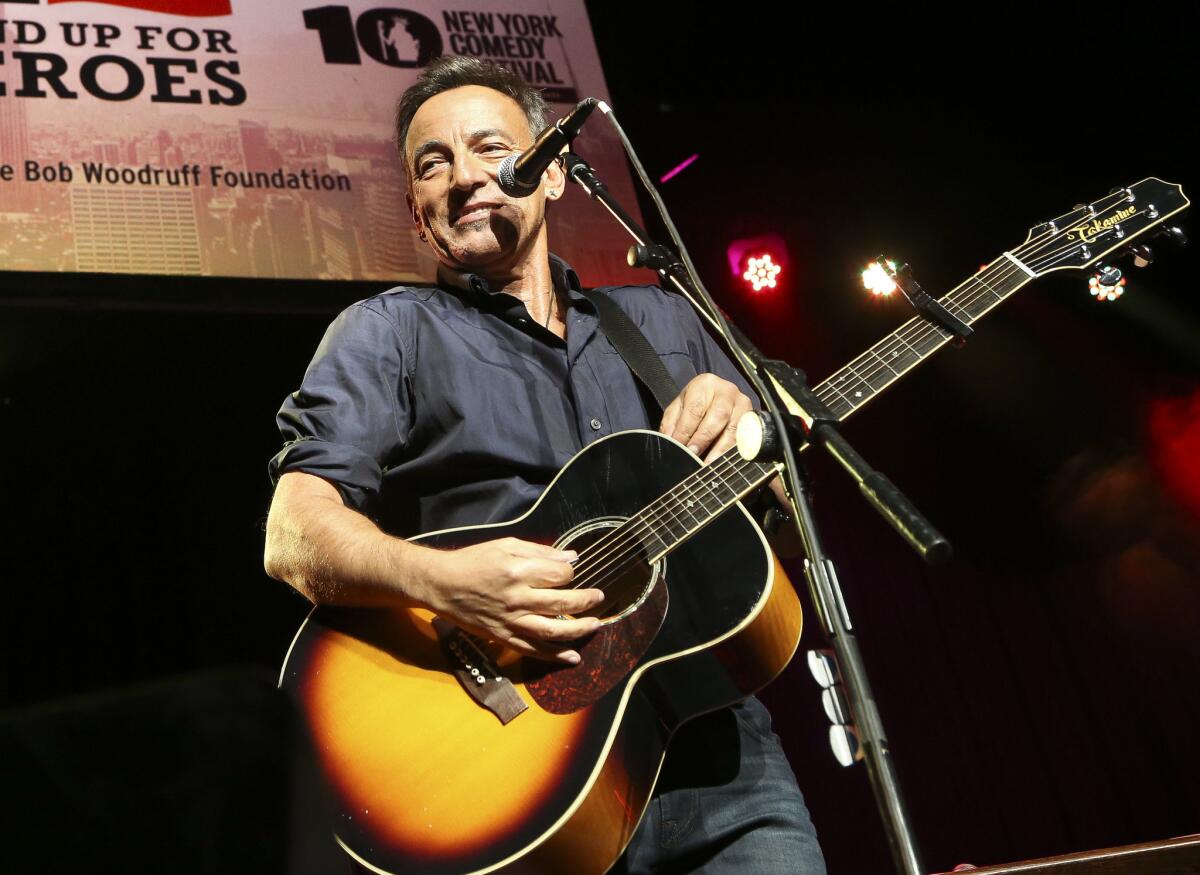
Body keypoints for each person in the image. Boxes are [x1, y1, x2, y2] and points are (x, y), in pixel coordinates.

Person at [264, 55, 826, 874]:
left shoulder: (666, 321)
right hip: (519, 770)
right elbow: (293, 533)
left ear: (555, 172)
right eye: (433, 163)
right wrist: (442, 580)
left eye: (492, 148)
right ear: (418, 213)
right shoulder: (387, 332)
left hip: (721, 757)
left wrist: (756, 430)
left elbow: (788, 512)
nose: (464, 178)